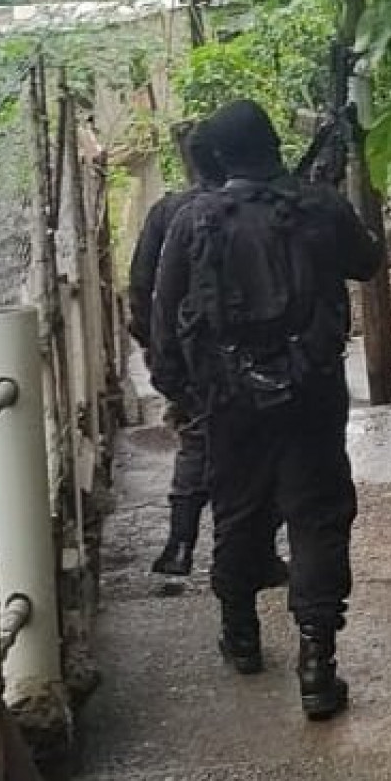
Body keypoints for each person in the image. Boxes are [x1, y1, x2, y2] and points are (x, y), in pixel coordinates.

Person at [149, 97, 382, 719]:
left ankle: (241, 633)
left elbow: (165, 318)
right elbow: (369, 262)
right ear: (275, 144)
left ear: (220, 157)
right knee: (317, 515)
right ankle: (317, 662)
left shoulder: (194, 219)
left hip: (226, 399)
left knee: (238, 511)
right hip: (313, 392)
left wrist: (182, 394)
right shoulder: (317, 206)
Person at [126, 122, 223, 576]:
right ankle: (238, 546)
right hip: (237, 350)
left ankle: (180, 543)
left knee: (194, 441)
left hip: (183, 352)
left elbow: (142, 284)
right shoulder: (242, 207)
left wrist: (152, 346)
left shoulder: (168, 211)